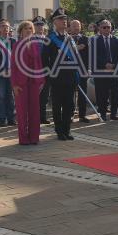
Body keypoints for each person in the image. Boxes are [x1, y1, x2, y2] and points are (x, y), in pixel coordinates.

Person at [42, 8, 77, 141]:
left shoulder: (69, 38)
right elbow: (44, 60)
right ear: (54, 22)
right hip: (57, 77)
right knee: (57, 105)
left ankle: (67, 130)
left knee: (69, 105)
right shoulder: (50, 39)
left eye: (65, 19)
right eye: (61, 19)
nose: (64, 21)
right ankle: (59, 131)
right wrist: (49, 76)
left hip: (70, 77)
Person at [11, 21, 44, 145]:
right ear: (21, 31)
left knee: (35, 111)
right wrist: (14, 84)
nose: (28, 30)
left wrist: (41, 80)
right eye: (26, 28)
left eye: (30, 28)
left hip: (34, 82)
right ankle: (23, 138)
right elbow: (13, 66)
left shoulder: (35, 45)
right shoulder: (17, 45)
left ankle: (34, 137)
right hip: (20, 83)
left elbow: (39, 63)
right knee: (22, 112)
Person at [92, 19, 118, 121]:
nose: (106, 29)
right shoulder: (95, 40)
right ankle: (103, 113)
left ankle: (113, 113)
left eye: (108, 27)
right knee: (101, 93)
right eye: (104, 27)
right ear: (100, 28)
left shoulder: (116, 40)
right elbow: (94, 56)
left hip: (113, 71)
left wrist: (113, 65)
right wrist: (105, 64)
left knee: (115, 93)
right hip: (101, 71)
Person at [0, 20, 16, 126]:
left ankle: (11, 118)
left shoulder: (13, 41)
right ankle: (2, 119)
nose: (6, 28)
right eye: (3, 26)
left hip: (12, 73)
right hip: (0, 73)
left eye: (7, 27)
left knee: (11, 96)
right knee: (1, 96)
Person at [69, 20, 90, 123]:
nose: (76, 28)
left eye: (78, 26)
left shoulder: (85, 39)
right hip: (69, 70)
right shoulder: (67, 39)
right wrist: (77, 48)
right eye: (74, 26)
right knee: (70, 93)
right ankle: (70, 113)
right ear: (70, 27)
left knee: (83, 93)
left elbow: (89, 54)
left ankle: (82, 115)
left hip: (82, 70)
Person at [34, 16, 50, 124]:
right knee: (35, 94)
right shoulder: (30, 38)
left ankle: (42, 116)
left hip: (45, 70)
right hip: (34, 70)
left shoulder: (48, 39)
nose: (40, 27)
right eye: (37, 25)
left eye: (41, 25)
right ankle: (34, 116)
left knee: (45, 95)